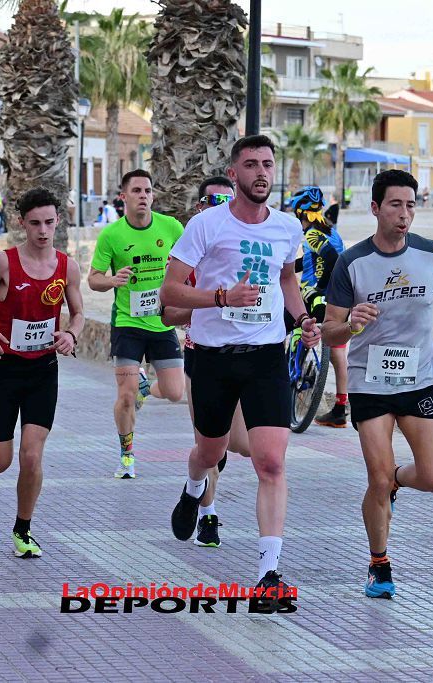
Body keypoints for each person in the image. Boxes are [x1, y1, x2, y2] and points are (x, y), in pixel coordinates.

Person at [160, 134, 321, 603]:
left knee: (271, 462)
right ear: (234, 175)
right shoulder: (207, 226)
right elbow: (171, 293)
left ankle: (269, 573)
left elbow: (287, 279)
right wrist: (221, 298)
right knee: (209, 453)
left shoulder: (288, 228)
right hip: (211, 358)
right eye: (250, 165)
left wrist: (303, 320)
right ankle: (194, 489)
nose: (260, 173)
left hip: (266, 358)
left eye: (267, 164)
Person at [322, 169, 433, 600]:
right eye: (395, 205)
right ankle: (380, 564)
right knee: (375, 480)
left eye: (411, 205)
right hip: (370, 383)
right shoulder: (352, 262)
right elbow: (329, 331)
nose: (404, 214)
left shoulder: (431, 255)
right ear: (375, 208)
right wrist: (351, 324)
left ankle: (395, 479)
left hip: (419, 381)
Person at [0, 188, 85, 559]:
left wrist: (71, 334)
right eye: (35, 224)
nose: (43, 231)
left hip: (44, 371)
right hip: (4, 370)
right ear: (22, 224)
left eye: (49, 222)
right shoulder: (5, 262)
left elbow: (78, 313)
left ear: (57, 221)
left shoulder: (67, 267)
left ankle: (23, 528)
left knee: (32, 456)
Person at [161, 176, 250, 548]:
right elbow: (167, 313)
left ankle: (198, 477)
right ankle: (207, 516)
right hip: (203, 357)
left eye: (227, 201)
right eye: (212, 201)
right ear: (199, 207)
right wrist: (214, 303)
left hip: (248, 357)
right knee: (209, 443)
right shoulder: (189, 255)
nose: (220, 207)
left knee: (242, 445)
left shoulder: (248, 252)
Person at [89, 169, 186, 479]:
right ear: (124, 196)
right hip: (128, 324)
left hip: (162, 323)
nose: (143, 196)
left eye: (147, 190)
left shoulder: (170, 227)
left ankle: (147, 387)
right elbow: (93, 279)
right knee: (126, 395)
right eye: (136, 191)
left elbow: (192, 263)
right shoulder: (112, 235)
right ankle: (127, 455)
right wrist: (111, 280)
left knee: (174, 391)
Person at [287, 186, 351, 428]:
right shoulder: (332, 232)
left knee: (292, 324)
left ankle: (291, 375)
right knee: (337, 353)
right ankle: (339, 408)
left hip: (314, 297)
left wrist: (320, 288)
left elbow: (331, 260)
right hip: (341, 300)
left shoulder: (313, 233)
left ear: (299, 213)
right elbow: (311, 261)